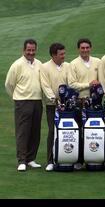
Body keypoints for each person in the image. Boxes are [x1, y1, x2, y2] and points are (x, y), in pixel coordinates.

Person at [5, 39, 43, 171]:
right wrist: (16, 98)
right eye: (29, 50)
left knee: (35, 131)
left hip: (37, 101)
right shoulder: (17, 65)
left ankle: (31, 159)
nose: (31, 52)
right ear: (24, 50)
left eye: (33, 50)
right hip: (22, 102)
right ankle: (22, 160)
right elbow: (9, 85)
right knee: (23, 132)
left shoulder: (39, 64)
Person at [69, 38, 101, 170]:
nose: (85, 50)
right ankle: (79, 160)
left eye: (87, 47)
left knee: (94, 132)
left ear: (90, 48)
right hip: (79, 102)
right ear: (78, 49)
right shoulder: (73, 64)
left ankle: (94, 158)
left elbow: (101, 80)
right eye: (82, 48)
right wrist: (88, 84)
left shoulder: (97, 62)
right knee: (79, 132)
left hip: (95, 102)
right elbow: (72, 84)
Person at [40, 43, 70, 172]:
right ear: (53, 55)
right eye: (61, 54)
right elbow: (45, 86)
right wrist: (54, 99)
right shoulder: (45, 67)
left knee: (68, 132)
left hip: (67, 106)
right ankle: (50, 161)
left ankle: (69, 158)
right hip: (52, 106)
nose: (63, 56)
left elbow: (71, 83)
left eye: (64, 53)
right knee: (53, 131)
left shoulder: (68, 66)